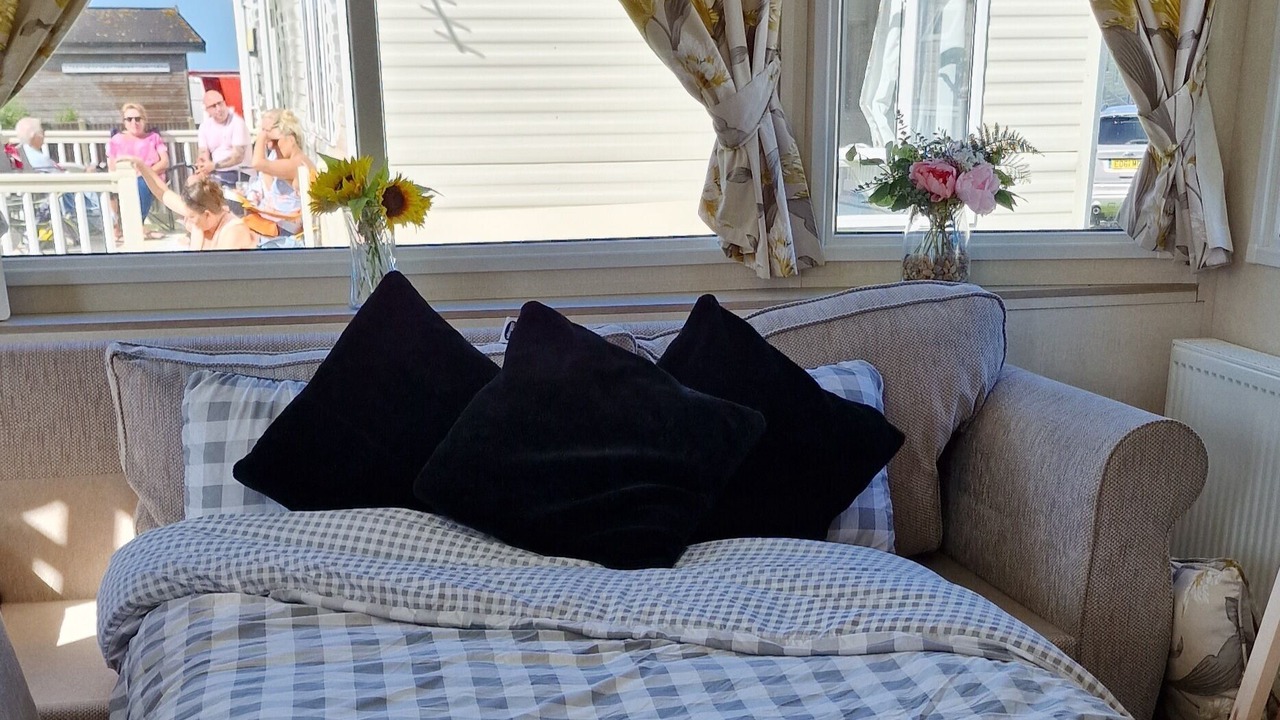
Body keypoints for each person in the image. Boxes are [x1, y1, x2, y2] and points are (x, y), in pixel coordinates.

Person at [124, 154, 253, 250]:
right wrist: (141, 165)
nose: (187, 220)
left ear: (207, 214)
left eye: (191, 217)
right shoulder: (200, 216)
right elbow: (162, 193)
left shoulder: (233, 231)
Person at [244, 108, 315, 240]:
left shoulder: (297, 164)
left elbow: (257, 163)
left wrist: (263, 134)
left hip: (290, 235)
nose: (270, 146)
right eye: (268, 143)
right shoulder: (288, 161)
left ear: (291, 138)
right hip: (282, 230)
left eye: (275, 141)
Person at [106, 103, 168, 239]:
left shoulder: (153, 138)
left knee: (142, 183)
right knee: (112, 189)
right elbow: (112, 165)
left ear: (144, 120)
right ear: (124, 122)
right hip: (124, 178)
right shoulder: (117, 140)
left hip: (150, 178)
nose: (134, 122)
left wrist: (145, 172)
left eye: (138, 119)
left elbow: (164, 162)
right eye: (129, 119)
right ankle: (124, 226)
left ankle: (133, 226)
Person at [197, 90, 250, 187]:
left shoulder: (237, 123)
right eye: (213, 106)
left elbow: (238, 156)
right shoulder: (204, 127)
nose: (219, 108)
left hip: (240, 173)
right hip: (216, 174)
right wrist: (203, 165)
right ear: (207, 110)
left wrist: (214, 166)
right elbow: (203, 152)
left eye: (220, 103)